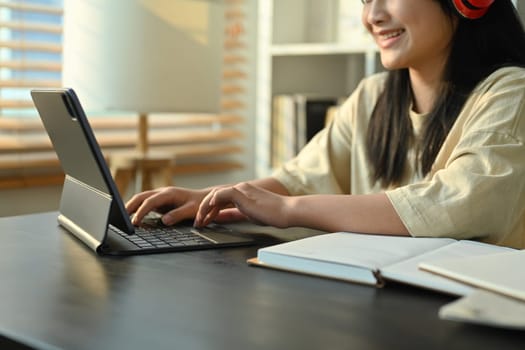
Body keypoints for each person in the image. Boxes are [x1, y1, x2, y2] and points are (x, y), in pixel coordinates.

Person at [126, 0, 525, 249]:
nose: (373, 15)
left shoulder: (512, 92)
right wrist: (210, 197)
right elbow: (301, 178)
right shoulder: (373, 96)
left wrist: (289, 209)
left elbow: (455, 205)